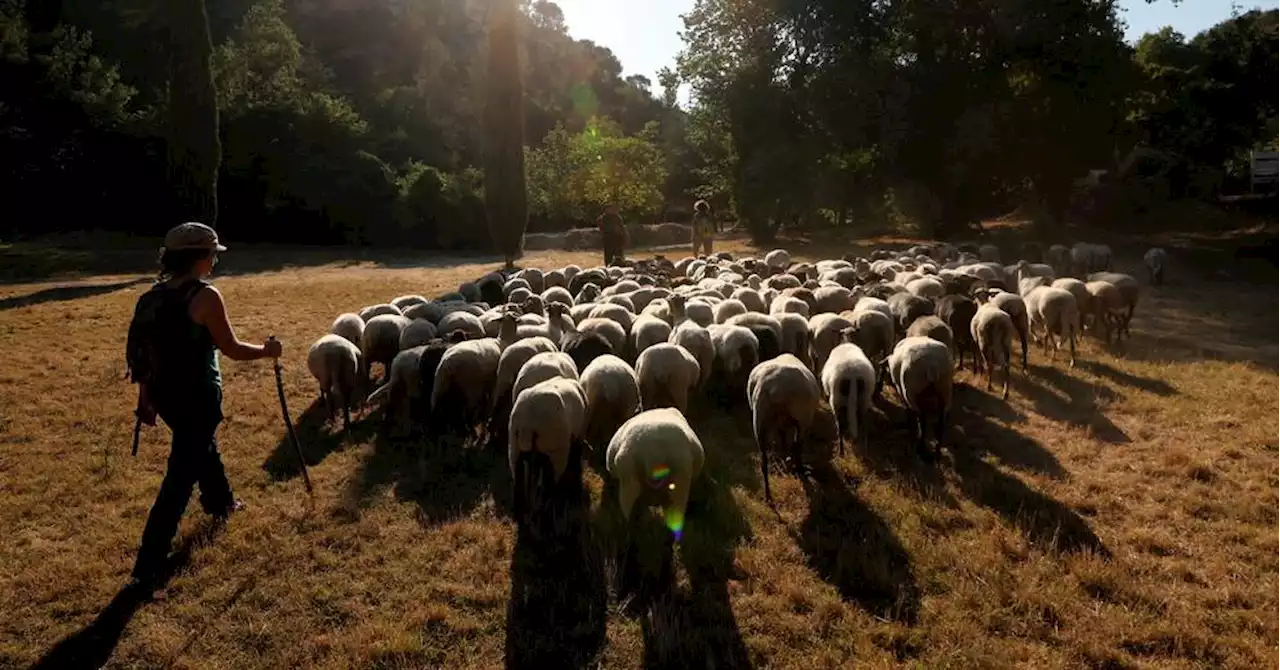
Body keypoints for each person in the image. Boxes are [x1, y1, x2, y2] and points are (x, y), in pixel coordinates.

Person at [125, 222, 282, 591]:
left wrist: (145, 398)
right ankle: (148, 563)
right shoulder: (205, 297)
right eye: (212, 254)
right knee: (180, 475)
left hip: (165, 397)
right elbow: (232, 349)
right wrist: (267, 351)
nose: (214, 260)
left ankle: (221, 502)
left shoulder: (151, 298)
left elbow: (144, 356)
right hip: (198, 396)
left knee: (198, 448)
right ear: (199, 257)